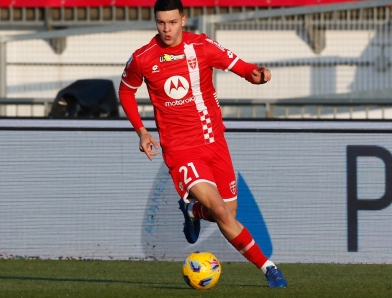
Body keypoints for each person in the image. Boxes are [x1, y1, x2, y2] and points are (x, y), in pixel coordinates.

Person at [118, 0, 287, 288]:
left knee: (228, 214)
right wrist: (142, 133)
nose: (167, 28)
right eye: (161, 23)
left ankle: (192, 210)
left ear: (183, 20)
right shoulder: (143, 58)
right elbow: (125, 93)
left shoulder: (203, 46)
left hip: (214, 142)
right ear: (155, 22)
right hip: (180, 149)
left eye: (172, 22)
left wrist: (258, 76)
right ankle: (268, 268)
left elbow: (244, 68)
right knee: (221, 212)